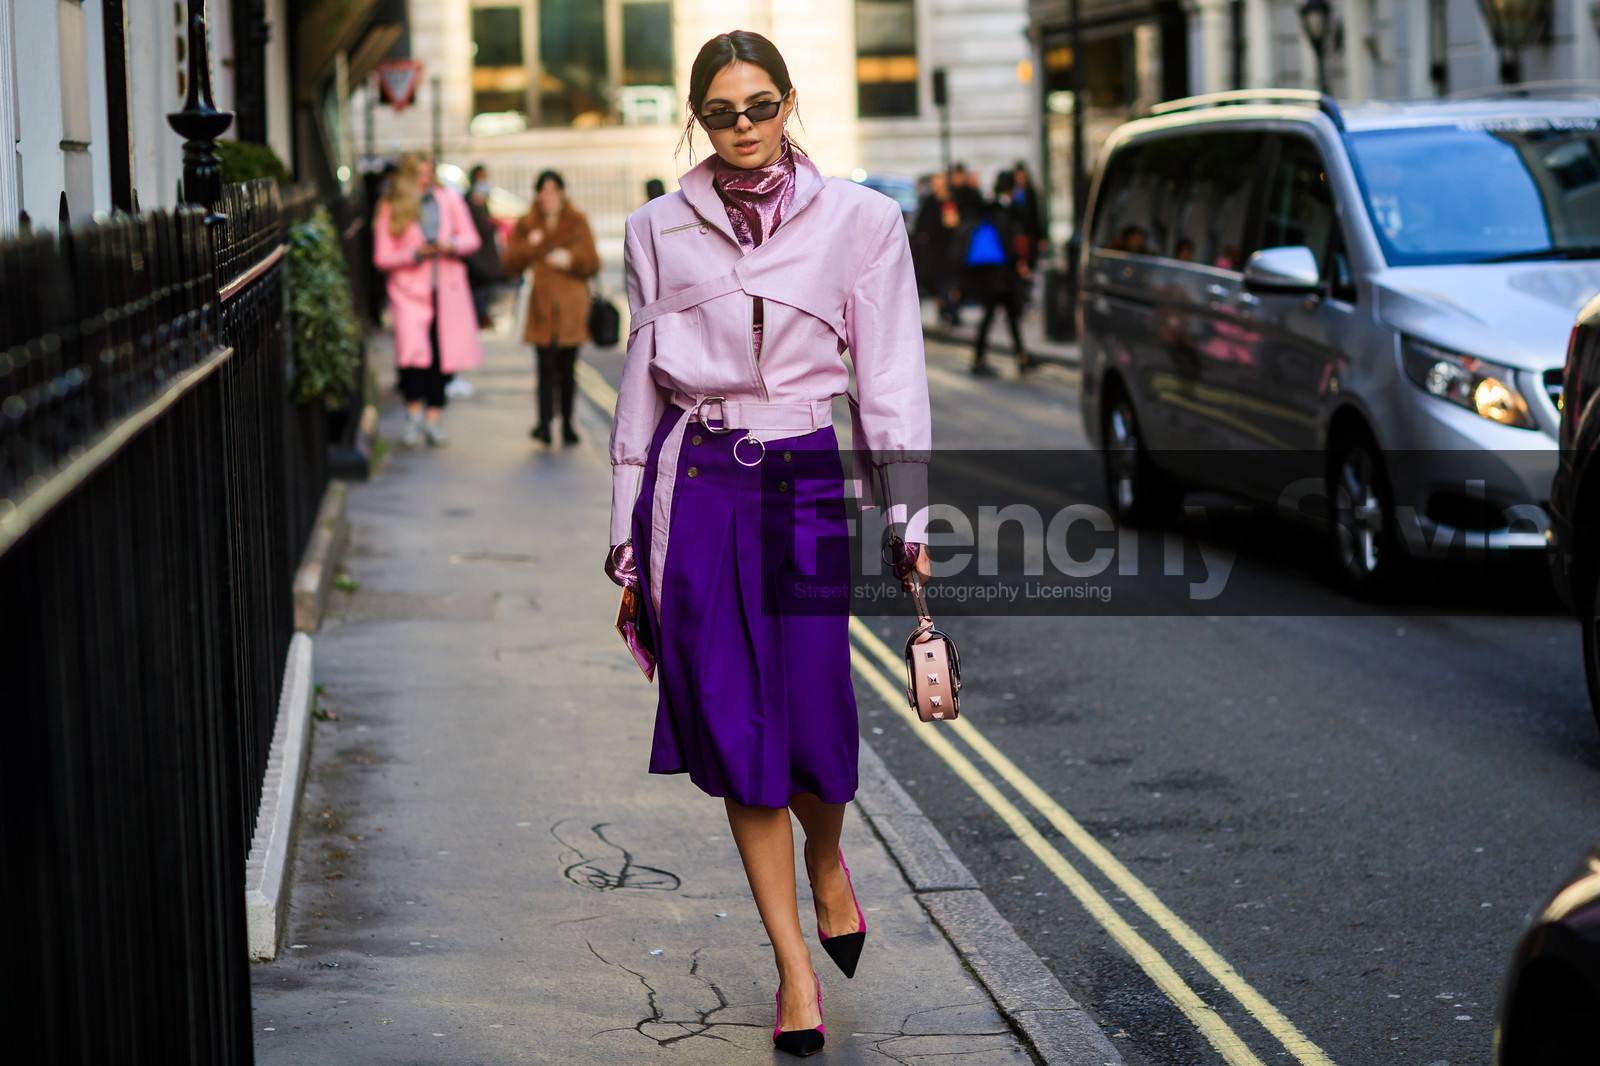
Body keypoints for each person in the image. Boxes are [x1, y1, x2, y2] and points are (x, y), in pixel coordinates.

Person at [604, 30, 931, 1058]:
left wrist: (906, 512)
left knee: (814, 719)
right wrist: (623, 535)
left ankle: (827, 860)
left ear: (788, 104)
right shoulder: (654, 229)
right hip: (696, 488)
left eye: (760, 106)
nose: (742, 128)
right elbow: (639, 389)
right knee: (740, 729)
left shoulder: (864, 224)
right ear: (694, 119)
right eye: (720, 112)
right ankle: (794, 969)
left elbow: (890, 379)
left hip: (801, 481)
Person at [372, 154, 484, 447]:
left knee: (440, 358)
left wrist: (451, 245)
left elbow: (472, 239)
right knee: (412, 359)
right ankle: (413, 418)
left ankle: (434, 419)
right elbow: (381, 257)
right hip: (408, 292)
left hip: (445, 291)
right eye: (419, 173)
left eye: (429, 172)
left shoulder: (448, 199)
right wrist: (414, 254)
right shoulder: (391, 205)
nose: (426, 179)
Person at [502, 170, 600, 445]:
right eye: (542, 191)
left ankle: (568, 423)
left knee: (568, 369)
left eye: (551, 191)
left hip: (571, 308)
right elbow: (509, 263)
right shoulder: (527, 222)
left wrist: (569, 259)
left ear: (561, 193)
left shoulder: (577, 220)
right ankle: (544, 423)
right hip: (541, 308)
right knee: (544, 368)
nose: (546, 197)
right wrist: (530, 247)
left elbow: (592, 261)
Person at [966, 171, 1034, 376]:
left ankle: (1020, 356)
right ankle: (980, 360)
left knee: (1006, 315)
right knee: (996, 316)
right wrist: (1018, 263)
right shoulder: (1003, 210)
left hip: (992, 273)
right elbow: (1007, 242)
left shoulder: (991, 208)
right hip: (1001, 276)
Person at [911, 170, 962, 325]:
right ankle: (917, 317)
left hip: (941, 250)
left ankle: (950, 313)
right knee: (923, 286)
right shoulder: (929, 200)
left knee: (942, 284)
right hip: (927, 251)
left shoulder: (948, 202)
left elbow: (951, 224)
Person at [464, 164, 505, 329]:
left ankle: (483, 315)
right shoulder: (471, 202)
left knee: (485, 288)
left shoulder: (481, 201)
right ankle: (480, 316)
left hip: (484, 254)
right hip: (477, 256)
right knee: (479, 289)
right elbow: (482, 227)